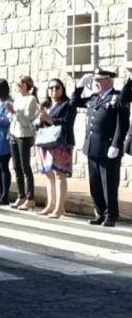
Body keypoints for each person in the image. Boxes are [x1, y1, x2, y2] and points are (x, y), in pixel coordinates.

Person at [71, 68, 131, 227]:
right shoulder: (94, 97)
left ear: (109, 81)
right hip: (92, 147)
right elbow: (74, 102)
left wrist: (117, 144)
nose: (96, 83)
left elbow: (123, 124)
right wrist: (79, 86)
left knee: (109, 184)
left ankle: (111, 215)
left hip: (108, 148)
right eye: (95, 81)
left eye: (99, 80)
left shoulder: (117, 98)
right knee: (95, 183)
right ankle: (100, 212)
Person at [33, 78, 77, 219]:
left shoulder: (67, 104)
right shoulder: (45, 105)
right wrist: (40, 120)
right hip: (45, 142)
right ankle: (50, 205)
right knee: (48, 174)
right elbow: (35, 125)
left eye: (57, 87)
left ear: (62, 89)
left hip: (61, 143)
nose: (54, 90)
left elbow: (68, 122)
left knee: (59, 174)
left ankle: (59, 207)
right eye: (51, 88)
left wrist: (50, 120)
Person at [8, 75, 39, 210]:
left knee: (25, 166)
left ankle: (30, 197)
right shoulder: (17, 98)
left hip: (24, 135)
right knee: (16, 166)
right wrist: (12, 113)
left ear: (25, 85)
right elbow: (13, 117)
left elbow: (26, 122)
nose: (16, 86)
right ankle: (21, 195)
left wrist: (15, 113)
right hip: (14, 133)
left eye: (18, 84)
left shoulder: (31, 99)